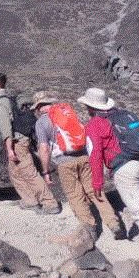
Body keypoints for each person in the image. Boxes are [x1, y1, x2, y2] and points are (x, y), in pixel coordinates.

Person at [79, 87, 139, 259]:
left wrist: (97, 182)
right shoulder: (124, 115)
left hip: (124, 169)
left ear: (90, 107)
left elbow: (95, 155)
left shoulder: (94, 124)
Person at [32, 91, 124, 243]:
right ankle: (114, 224)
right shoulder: (68, 113)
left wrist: (46, 171)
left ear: (40, 107)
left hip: (64, 163)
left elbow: (44, 148)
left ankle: (90, 229)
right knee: (95, 191)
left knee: (76, 196)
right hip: (83, 157)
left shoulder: (41, 122)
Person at [0, 73, 59, 214]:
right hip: (19, 140)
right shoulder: (7, 98)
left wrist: (9, 149)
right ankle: (30, 201)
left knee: (29, 172)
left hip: (17, 142)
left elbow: (6, 128)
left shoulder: (0, 101)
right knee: (15, 172)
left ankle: (50, 203)